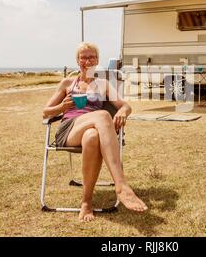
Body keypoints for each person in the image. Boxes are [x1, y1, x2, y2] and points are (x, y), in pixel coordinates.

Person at [43, 42, 147, 222]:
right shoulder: (67, 83)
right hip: (69, 130)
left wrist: (122, 111)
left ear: (97, 60)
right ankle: (121, 185)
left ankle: (86, 202)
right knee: (103, 115)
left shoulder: (103, 84)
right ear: (77, 60)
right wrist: (62, 106)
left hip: (91, 131)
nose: (87, 60)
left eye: (92, 57)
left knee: (92, 136)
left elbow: (125, 106)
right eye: (83, 57)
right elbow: (45, 112)